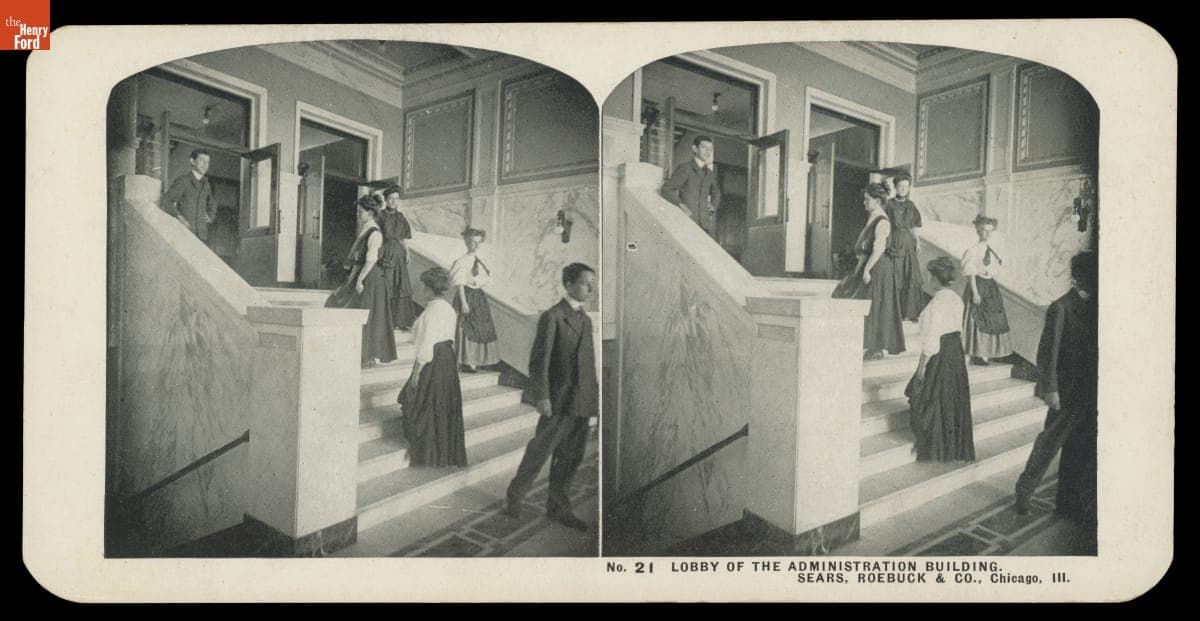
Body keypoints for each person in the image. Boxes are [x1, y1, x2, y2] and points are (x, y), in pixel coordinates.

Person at [504, 263, 598, 531]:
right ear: (568, 284)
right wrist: (542, 397)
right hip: (557, 400)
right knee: (540, 451)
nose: (590, 289)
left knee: (570, 457)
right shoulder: (553, 317)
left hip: (581, 400)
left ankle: (558, 508)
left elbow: (588, 365)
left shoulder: (586, 320)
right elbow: (539, 362)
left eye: (592, 284)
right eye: (585, 283)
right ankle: (515, 495)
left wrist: (593, 401)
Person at [1014, 252, 1098, 528]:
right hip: (1065, 393)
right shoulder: (1061, 307)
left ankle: (1067, 502)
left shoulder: (1095, 307)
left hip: (1088, 393)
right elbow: (1047, 353)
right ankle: (1024, 490)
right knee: (1049, 444)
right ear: (1078, 277)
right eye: (1090, 275)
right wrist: (1051, 389)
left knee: (1078, 448)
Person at [905, 257, 975, 462]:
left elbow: (932, 338)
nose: (929, 279)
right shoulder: (956, 299)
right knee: (951, 399)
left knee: (931, 396)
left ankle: (935, 449)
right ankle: (952, 448)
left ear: (936, 278)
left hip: (941, 352)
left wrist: (921, 368)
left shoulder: (937, 302)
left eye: (931, 275)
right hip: (955, 351)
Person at [398, 267, 468, 468]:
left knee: (419, 401)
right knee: (442, 405)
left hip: (433, 361)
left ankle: (427, 454)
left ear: (429, 288)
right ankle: (442, 454)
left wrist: (416, 375)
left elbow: (426, 346)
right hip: (447, 360)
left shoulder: (430, 312)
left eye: (423, 286)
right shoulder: (448, 309)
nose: (422, 290)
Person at [833, 182, 906, 359]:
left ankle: (876, 347)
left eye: (867, 199)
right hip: (869, 264)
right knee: (845, 294)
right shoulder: (873, 217)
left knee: (874, 305)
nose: (864, 202)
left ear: (877, 201)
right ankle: (860, 343)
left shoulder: (882, 221)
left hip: (877, 267)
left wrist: (866, 270)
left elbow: (878, 249)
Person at [326, 194, 397, 367]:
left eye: (361, 211)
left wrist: (360, 280)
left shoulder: (375, 233)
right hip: (361, 274)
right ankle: (353, 352)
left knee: (366, 314)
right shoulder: (366, 229)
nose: (358, 214)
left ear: (370, 213)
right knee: (336, 303)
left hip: (370, 278)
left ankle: (367, 356)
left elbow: (371, 260)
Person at [961, 215, 1013, 365]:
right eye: (984, 230)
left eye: (990, 231)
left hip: (990, 288)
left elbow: (995, 269)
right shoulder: (972, 250)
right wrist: (975, 293)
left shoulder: (992, 250)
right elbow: (970, 273)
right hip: (977, 286)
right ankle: (972, 352)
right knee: (975, 319)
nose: (988, 234)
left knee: (991, 319)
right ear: (978, 230)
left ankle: (984, 353)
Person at [450, 228, 500, 373]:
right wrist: (464, 303)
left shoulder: (480, 260)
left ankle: (476, 360)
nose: (476, 245)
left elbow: (486, 279)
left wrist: (479, 282)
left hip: (478, 297)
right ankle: (465, 361)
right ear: (467, 242)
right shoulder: (461, 261)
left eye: (479, 242)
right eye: (473, 242)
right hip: (466, 296)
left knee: (481, 327)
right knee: (467, 327)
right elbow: (459, 284)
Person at [660, 135, 721, 238]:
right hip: (687, 221)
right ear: (695, 148)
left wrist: (713, 205)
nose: (708, 151)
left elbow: (717, 193)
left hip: (705, 224)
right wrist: (681, 205)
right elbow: (666, 189)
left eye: (710, 149)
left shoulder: (710, 173)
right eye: (704, 147)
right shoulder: (685, 168)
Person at [884, 171, 926, 321]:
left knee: (910, 275)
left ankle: (910, 312)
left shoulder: (911, 205)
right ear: (895, 187)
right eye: (900, 186)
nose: (903, 189)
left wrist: (917, 241)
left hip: (908, 242)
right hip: (895, 241)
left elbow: (914, 225)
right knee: (897, 275)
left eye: (906, 186)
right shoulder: (889, 204)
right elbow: (884, 225)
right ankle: (896, 313)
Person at [378, 185, 419, 331]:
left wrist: (407, 252)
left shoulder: (400, 217)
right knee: (388, 285)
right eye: (391, 198)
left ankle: (400, 321)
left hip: (399, 254)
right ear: (385, 200)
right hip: (385, 252)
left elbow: (403, 237)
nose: (394, 201)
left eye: (396, 198)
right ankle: (385, 320)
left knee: (401, 285)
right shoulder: (380, 216)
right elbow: (376, 236)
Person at [161, 148, 217, 246]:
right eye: (202, 160)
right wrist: (181, 218)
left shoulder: (206, 184)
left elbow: (212, 202)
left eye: (207, 162)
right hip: (184, 233)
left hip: (202, 235)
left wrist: (210, 216)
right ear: (192, 161)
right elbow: (166, 200)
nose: (205, 165)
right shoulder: (183, 180)